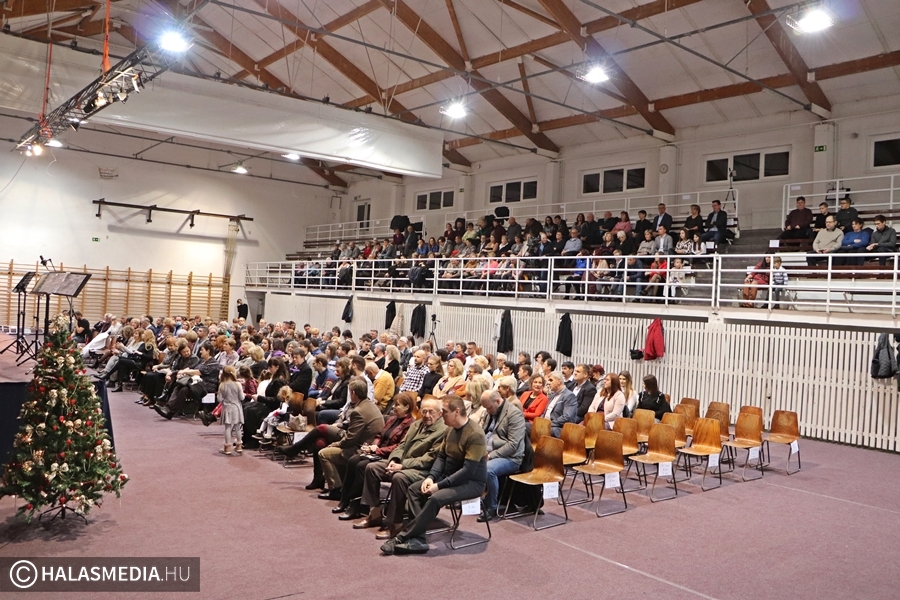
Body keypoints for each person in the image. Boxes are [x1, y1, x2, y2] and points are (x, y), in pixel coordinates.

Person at [380, 395, 487, 555]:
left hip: (471, 483)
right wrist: (431, 477)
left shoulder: (475, 434)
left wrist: (439, 486)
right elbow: (441, 457)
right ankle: (418, 539)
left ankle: (402, 537)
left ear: (457, 412)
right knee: (415, 489)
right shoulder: (450, 429)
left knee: (436, 498)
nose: (441, 414)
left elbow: (467, 471)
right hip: (450, 477)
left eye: (444, 411)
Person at [354, 397, 447, 539]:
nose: (427, 415)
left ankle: (395, 524)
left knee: (399, 477)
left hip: (423, 471)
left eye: (431, 412)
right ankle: (375, 514)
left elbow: (429, 458)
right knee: (372, 468)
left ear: (439, 413)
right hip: (402, 463)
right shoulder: (416, 425)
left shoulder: (442, 431)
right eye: (424, 411)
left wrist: (402, 465)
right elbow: (401, 445)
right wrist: (394, 460)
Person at [334, 392, 416, 520]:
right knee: (353, 460)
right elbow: (379, 435)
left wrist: (378, 450)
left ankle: (356, 505)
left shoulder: (411, 424)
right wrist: (372, 446)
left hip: (390, 457)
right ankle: (345, 499)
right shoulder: (391, 419)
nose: (393, 407)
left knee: (362, 466)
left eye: (397, 405)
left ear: (407, 407)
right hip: (378, 452)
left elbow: (399, 446)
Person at [317, 377, 386, 500]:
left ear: (353, 393)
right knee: (327, 444)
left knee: (323, 453)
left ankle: (335, 489)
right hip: (369, 444)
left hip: (360, 449)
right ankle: (342, 485)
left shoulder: (358, 411)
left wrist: (335, 444)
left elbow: (350, 439)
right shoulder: (371, 405)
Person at [478, 389, 526, 522]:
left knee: (488, 470)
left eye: (489, 407)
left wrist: (490, 455)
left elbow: (513, 445)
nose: (487, 411)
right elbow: (483, 432)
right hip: (489, 449)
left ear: (498, 401)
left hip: (511, 457)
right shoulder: (490, 412)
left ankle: (491, 507)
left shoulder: (514, 414)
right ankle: (468, 498)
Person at [155, 342, 221, 419]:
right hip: (197, 383)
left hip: (206, 386)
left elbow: (197, 372)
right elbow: (190, 368)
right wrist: (177, 372)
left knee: (184, 390)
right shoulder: (201, 361)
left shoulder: (213, 363)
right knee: (179, 386)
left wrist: (184, 372)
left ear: (208, 351)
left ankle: (170, 411)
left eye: (202, 350)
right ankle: (168, 408)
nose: (200, 352)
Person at [536, 371, 577, 438]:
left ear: (559, 381)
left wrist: (549, 424)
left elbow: (567, 417)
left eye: (551, 380)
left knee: (542, 430)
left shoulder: (569, 396)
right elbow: (544, 413)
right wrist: (540, 422)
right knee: (525, 427)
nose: (548, 383)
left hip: (558, 428)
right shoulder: (553, 395)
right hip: (546, 425)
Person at [217, 366, 245, 456]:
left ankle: (227, 447)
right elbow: (242, 398)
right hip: (237, 407)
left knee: (227, 427)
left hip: (227, 408)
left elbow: (219, 399)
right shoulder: (238, 384)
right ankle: (239, 446)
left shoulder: (222, 385)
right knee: (237, 427)